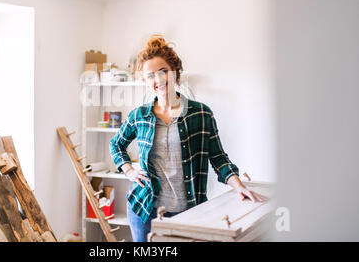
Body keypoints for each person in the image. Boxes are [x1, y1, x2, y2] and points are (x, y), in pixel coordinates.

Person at [109, 34, 267, 242]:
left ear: (174, 71)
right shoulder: (140, 115)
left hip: (189, 211)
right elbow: (116, 144)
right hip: (144, 209)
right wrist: (129, 170)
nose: (157, 80)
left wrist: (240, 187)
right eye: (150, 75)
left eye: (162, 71)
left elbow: (218, 158)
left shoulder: (201, 114)